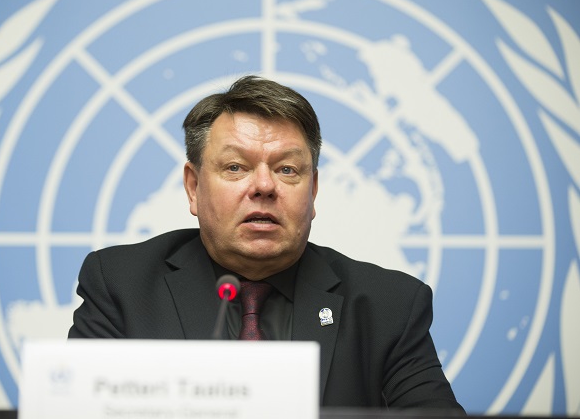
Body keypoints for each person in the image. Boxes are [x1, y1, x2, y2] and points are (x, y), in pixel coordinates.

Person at [68, 75, 465, 412]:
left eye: (287, 169)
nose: (263, 186)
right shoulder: (121, 285)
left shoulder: (388, 306)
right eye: (235, 167)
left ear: (313, 190)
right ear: (193, 187)